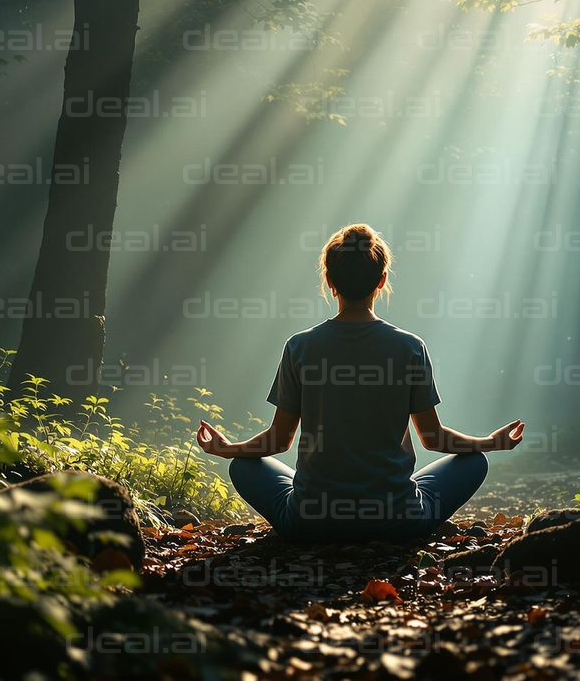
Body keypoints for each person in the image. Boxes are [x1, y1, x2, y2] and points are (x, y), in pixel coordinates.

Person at [195, 223, 525, 541]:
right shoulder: (410, 347)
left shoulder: (300, 347)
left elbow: (278, 442)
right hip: (398, 521)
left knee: (242, 466)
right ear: (381, 281)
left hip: (309, 522)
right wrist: (490, 443)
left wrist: (227, 449)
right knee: (473, 461)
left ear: (329, 281)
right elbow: (433, 438)